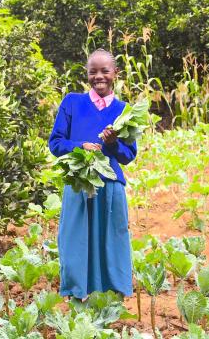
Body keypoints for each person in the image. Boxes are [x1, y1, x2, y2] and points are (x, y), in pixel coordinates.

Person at [49, 48, 136, 299]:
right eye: (93, 71)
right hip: (78, 183)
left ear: (115, 74)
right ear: (86, 74)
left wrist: (111, 144)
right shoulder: (72, 103)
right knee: (75, 238)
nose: (99, 76)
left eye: (105, 71)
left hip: (110, 185)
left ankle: (112, 293)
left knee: (111, 238)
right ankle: (78, 291)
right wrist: (80, 146)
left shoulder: (123, 110)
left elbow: (128, 155)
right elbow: (55, 143)